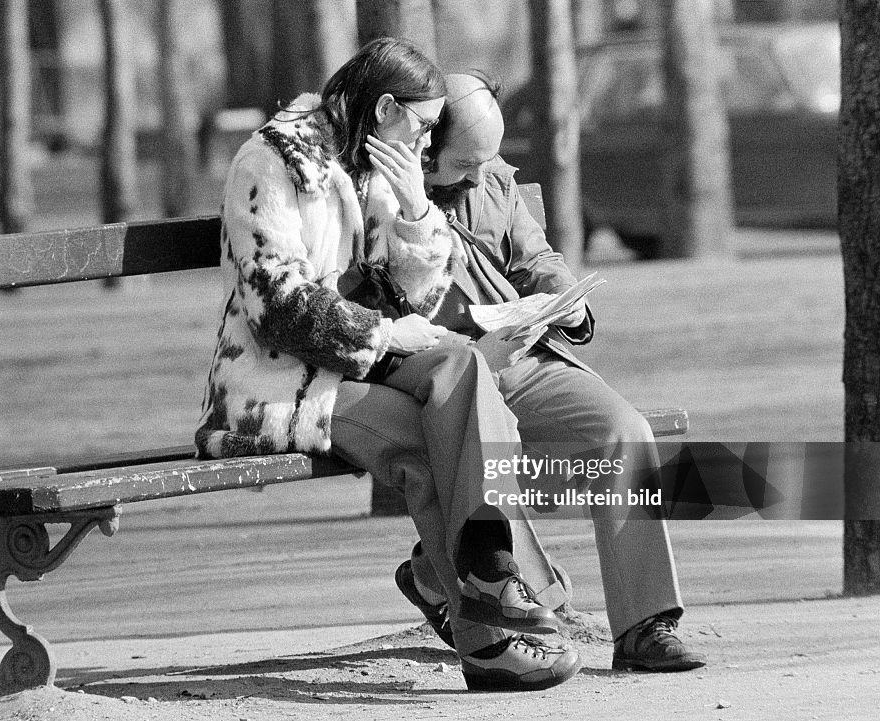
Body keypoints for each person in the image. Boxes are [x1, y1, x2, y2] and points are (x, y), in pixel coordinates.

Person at [195, 38, 581, 691]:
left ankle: (489, 569)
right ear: (384, 109)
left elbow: (418, 294)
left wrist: (415, 208)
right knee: (432, 450)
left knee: (462, 368)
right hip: (278, 383)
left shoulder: (376, 163)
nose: (430, 144)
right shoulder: (270, 163)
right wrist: (384, 332)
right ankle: (489, 634)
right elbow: (277, 308)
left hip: (356, 367)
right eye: (426, 126)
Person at [385, 71, 707, 673]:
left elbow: (537, 259)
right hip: (440, 373)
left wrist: (569, 303)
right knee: (489, 453)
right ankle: (449, 576)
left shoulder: (493, 177)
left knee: (623, 431)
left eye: (489, 160)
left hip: (523, 355)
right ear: (423, 142)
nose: (482, 174)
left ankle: (645, 624)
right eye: (465, 163)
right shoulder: (375, 193)